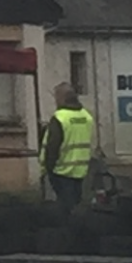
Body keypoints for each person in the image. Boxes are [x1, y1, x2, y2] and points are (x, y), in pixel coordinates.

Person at [41, 83, 94, 213]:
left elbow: (53, 146)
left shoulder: (60, 118)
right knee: (76, 205)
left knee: (64, 208)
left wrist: (48, 167)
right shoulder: (86, 116)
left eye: (56, 97)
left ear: (61, 98)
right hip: (80, 170)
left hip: (61, 170)